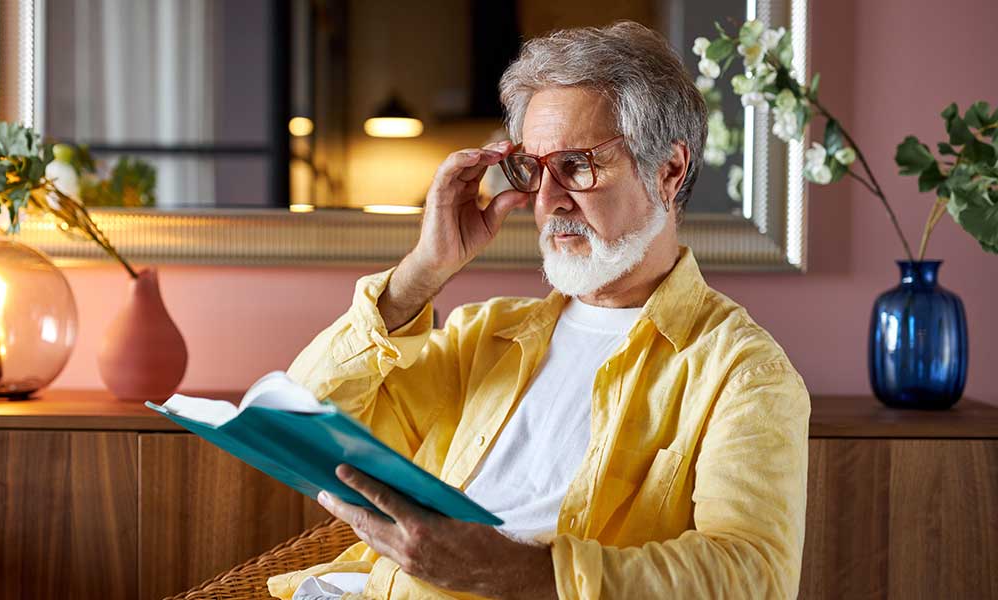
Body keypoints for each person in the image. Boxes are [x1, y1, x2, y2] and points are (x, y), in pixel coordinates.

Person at [268, 21, 810, 600]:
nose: (548, 199)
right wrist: (424, 270)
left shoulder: (743, 372)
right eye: (533, 168)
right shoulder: (484, 335)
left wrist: (517, 573)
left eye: (576, 165)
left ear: (669, 172)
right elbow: (301, 425)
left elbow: (751, 575)